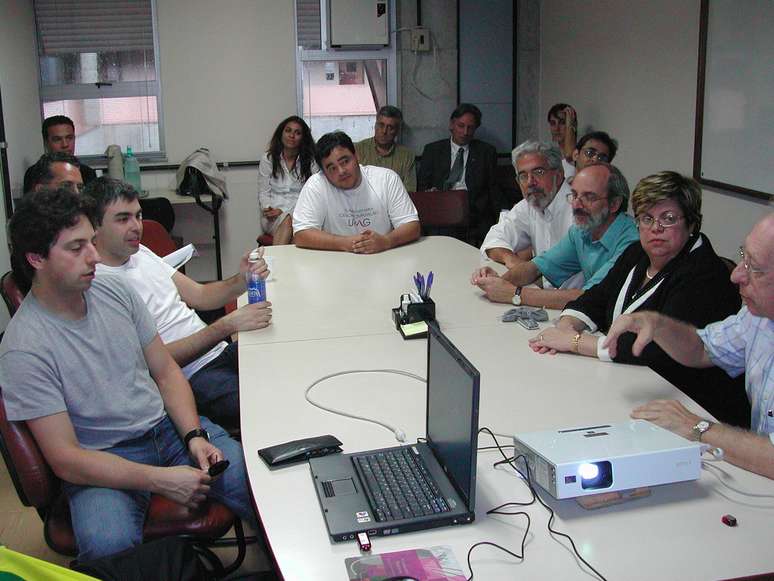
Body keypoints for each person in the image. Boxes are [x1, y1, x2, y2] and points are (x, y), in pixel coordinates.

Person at [0, 189, 257, 560]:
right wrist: (159, 480)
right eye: (76, 249)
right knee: (109, 546)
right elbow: (66, 459)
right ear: (36, 258)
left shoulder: (114, 289)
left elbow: (166, 372)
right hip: (101, 460)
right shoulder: (24, 348)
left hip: (166, 430)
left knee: (256, 484)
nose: (93, 256)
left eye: (91, 242)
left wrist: (195, 436)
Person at [528, 172, 750, 427]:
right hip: (628, 386)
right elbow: (596, 297)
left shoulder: (705, 274)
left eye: (668, 219)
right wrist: (567, 325)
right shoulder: (637, 252)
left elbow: (655, 351)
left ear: (691, 224)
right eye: (646, 218)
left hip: (691, 407)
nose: (655, 229)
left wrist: (576, 342)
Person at [85, 177, 271, 429]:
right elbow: (151, 364)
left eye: (138, 216)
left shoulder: (139, 252)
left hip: (218, 352)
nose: (136, 226)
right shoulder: (97, 284)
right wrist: (225, 326)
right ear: (94, 226)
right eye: (122, 219)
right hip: (192, 376)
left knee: (291, 371)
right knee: (270, 405)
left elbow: (200, 296)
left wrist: (242, 278)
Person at [601, 213, 774, 479]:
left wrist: (698, 427)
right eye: (743, 257)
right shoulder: (758, 318)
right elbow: (702, 349)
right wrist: (657, 323)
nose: (737, 275)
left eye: (755, 268)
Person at [471, 163, 640, 310]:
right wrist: (498, 282)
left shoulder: (632, 242)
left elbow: (588, 296)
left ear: (614, 204)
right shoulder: (582, 231)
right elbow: (536, 267)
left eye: (588, 197)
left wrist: (514, 294)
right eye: (574, 195)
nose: (576, 205)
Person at [293, 131, 420, 253]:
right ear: (323, 173)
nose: (341, 171)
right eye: (332, 168)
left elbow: (412, 226)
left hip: (382, 255)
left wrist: (386, 241)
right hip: (335, 260)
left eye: (345, 161)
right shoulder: (316, 184)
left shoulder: (387, 179)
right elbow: (301, 234)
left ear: (356, 155)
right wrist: (346, 243)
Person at [479, 141, 575, 286]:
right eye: (523, 176)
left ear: (559, 174)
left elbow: (558, 283)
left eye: (538, 172)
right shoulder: (530, 204)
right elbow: (494, 237)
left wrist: (510, 280)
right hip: (540, 295)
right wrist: (512, 261)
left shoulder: (579, 209)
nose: (530, 182)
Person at [417, 103, 501, 246]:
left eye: (470, 128)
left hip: (474, 211)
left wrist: (503, 216)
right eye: (461, 126)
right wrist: (430, 193)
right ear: (451, 125)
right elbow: (422, 185)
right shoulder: (433, 150)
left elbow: (493, 188)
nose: (465, 132)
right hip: (442, 210)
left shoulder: (486, 152)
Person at [258, 115, 318, 245]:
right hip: (273, 217)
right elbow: (263, 192)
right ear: (281, 133)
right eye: (288, 130)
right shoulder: (268, 159)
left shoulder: (311, 162)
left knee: (294, 232)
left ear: (303, 138)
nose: (292, 135)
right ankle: (276, 264)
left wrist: (286, 212)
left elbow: (312, 196)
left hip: (300, 215)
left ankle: (272, 264)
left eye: (297, 133)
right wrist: (268, 208)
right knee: (287, 222)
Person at [23, 115, 97, 193]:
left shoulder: (87, 173)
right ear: (46, 142)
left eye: (69, 138)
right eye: (57, 139)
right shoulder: (34, 173)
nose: (65, 144)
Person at [355, 105, 416, 191]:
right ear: (375, 126)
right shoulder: (358, 150)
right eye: (381, 125)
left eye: (390, 127)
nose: (384, 131)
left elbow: (410, 191)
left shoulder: (406, 157)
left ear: (397, 131)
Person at [547, 103, 577, 176]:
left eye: (562, 122)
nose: (556, 128)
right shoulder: (549, 155)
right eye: (553, 123)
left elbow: (569, 156)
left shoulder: (579, 154)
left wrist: (570, 125)